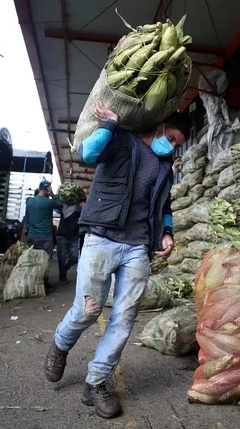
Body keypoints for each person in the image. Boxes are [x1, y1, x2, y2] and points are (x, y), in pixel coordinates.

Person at [45, 101, 188, 419]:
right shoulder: (122, 139)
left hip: (137, 246)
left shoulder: (165, 166)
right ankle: (60, 345)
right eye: (173, 138)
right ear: (162, 126)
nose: (173, 146)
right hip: (101, 237)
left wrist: (166, 232)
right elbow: (87, 154)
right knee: (86, 310)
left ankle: (95, 383)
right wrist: (110, 124)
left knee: (124, 320)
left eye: (178, 144)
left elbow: (163, 207)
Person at [24, 180, 63, 260]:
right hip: (46, 236)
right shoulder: (49, 202)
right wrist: (52, 195)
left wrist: (29, 232)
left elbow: (27, 220)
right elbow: (60, 205)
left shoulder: (30, 202)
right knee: (45, 260)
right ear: (47, 190)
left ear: (39, 188)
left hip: (32, 236)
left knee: (32, 260)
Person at [56, 199, 83, 283]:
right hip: (62, 236)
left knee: (74, 257)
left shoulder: (80, 211)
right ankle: (62, 277)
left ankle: (65, 268)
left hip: (73, 237)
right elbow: (56, 206)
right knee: (62, 257)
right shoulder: (64, 208)